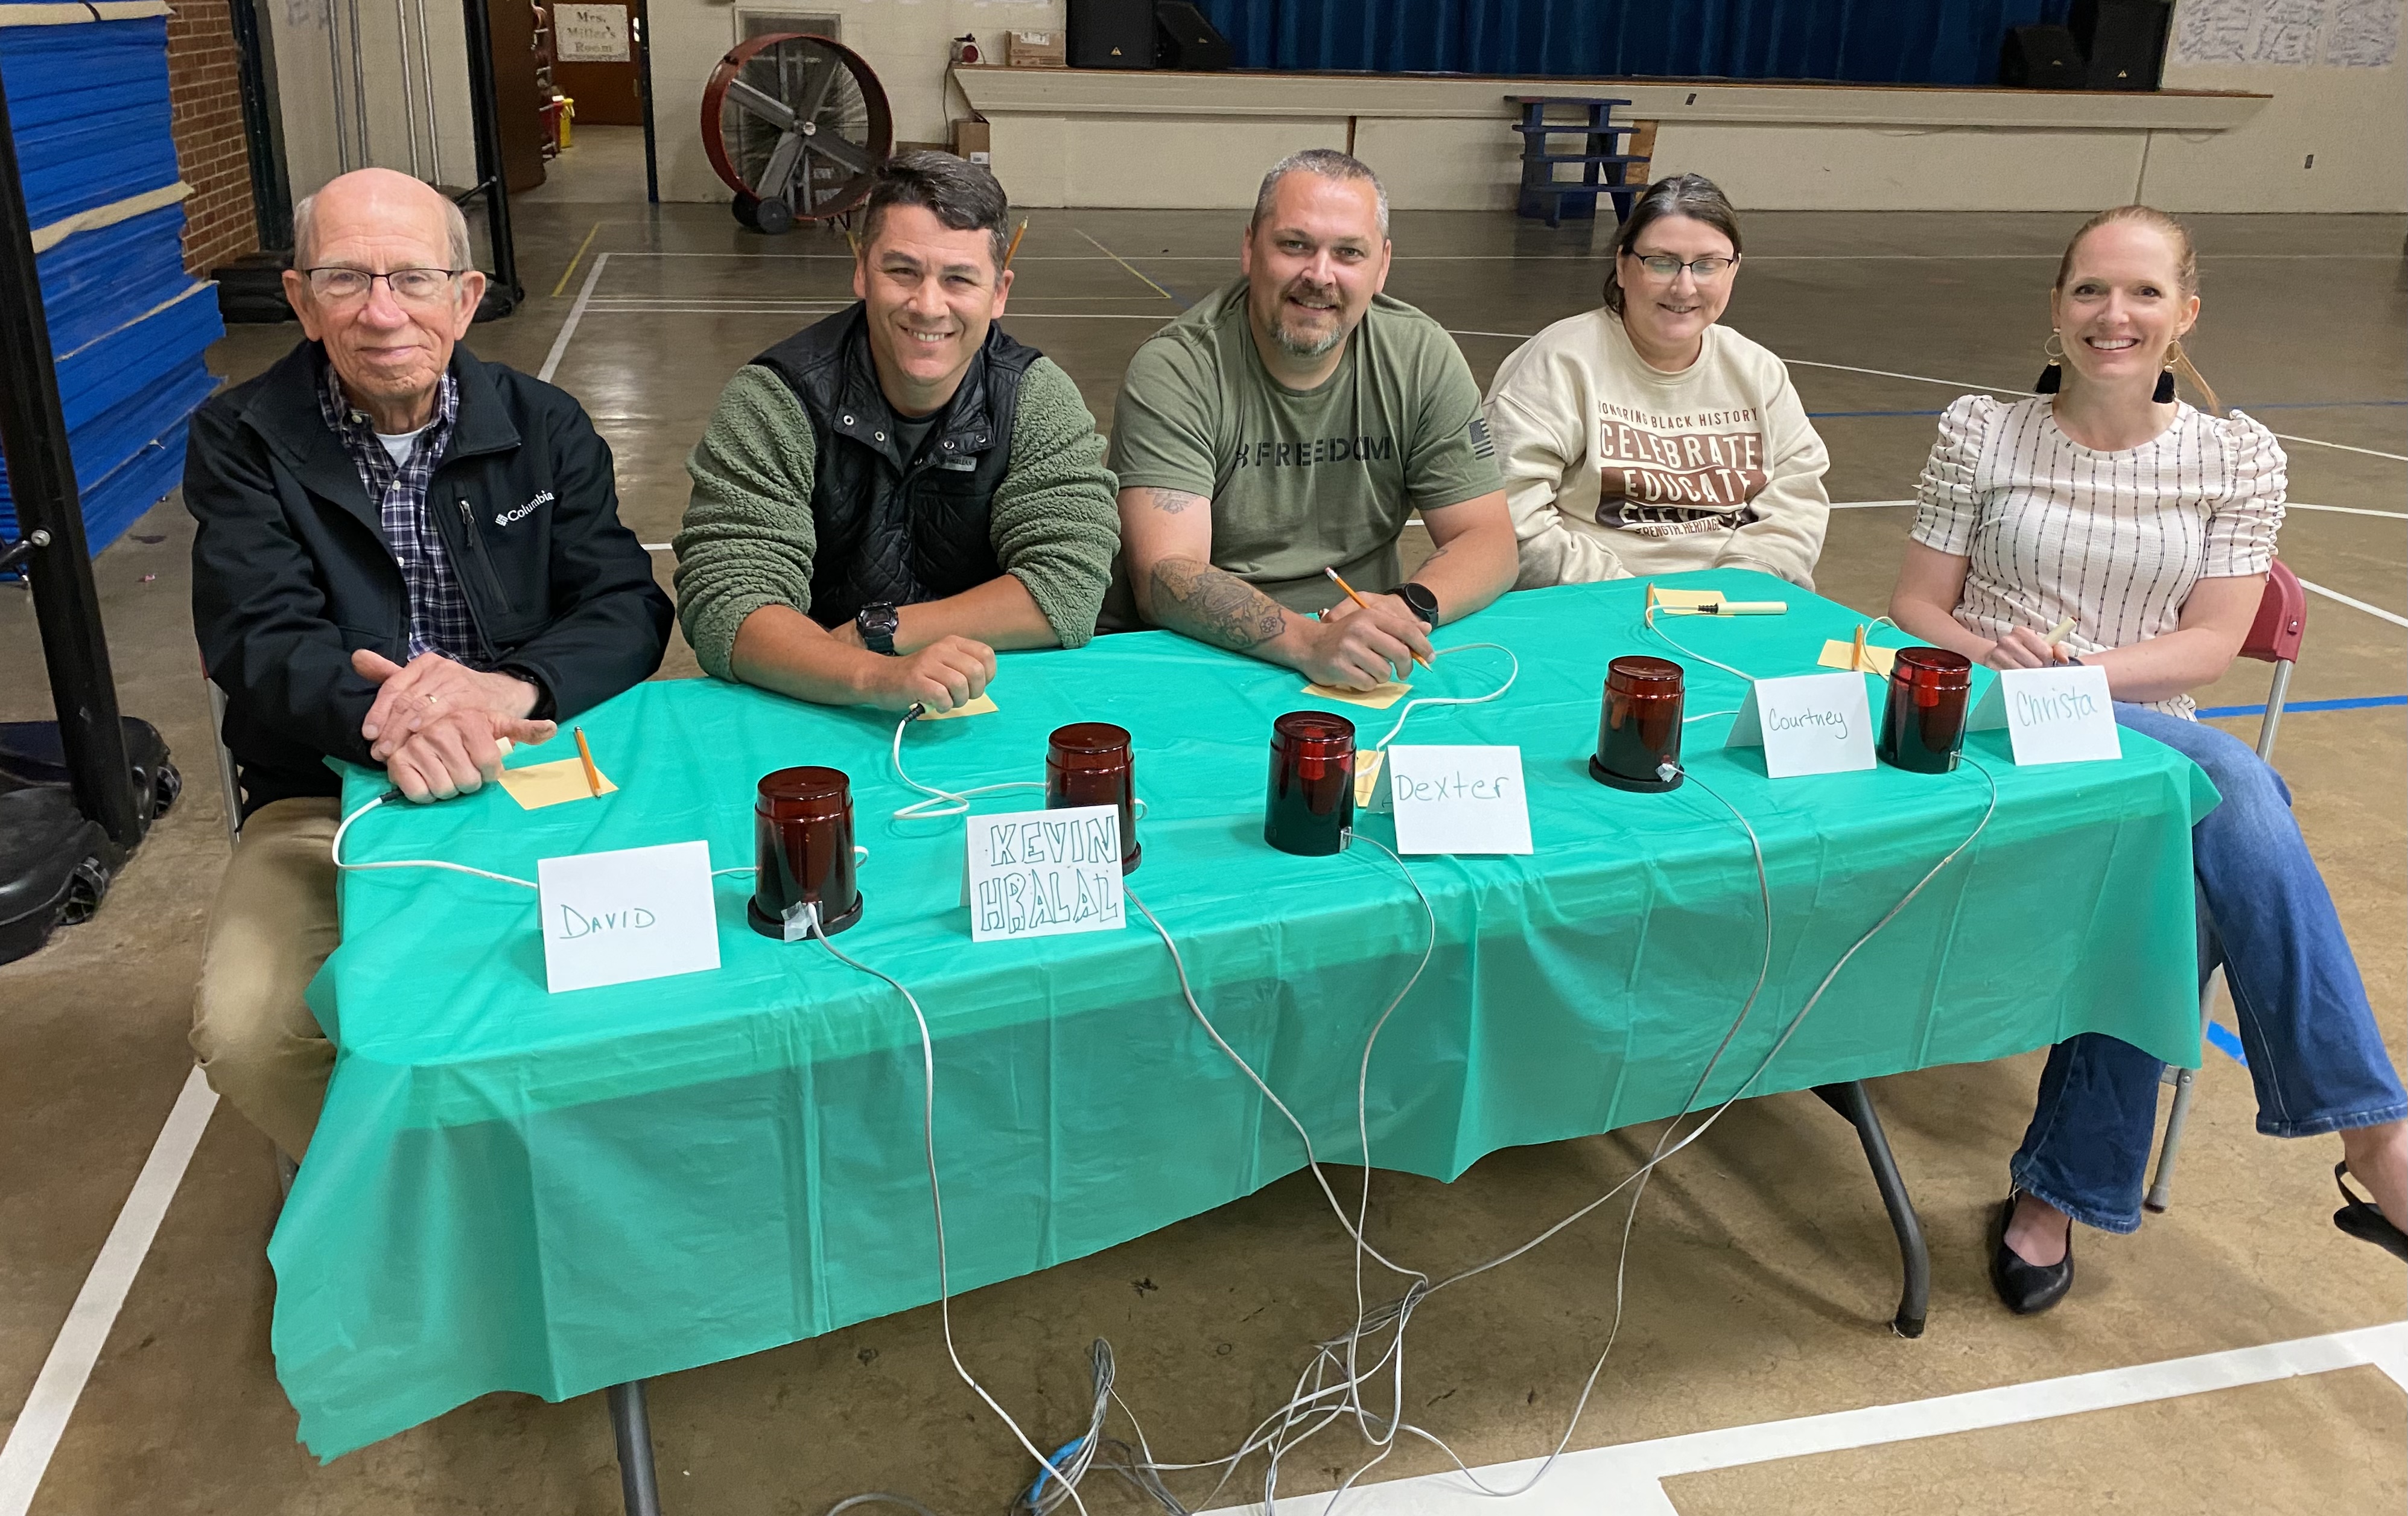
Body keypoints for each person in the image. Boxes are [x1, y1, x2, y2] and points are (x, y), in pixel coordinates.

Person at [1885, 204, 2408, 1313]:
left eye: (2142, 293)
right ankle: (2377, 1143)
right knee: (2239, 787)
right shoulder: (1984, 430)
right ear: (2057, 308)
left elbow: (2215, 642)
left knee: (2188, 848)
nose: (2111, 315)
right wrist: (2001, 656)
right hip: (1997, 723)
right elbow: (1916, 605)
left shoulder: (2236, 457)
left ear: (2185, 314)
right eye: (2088, 291)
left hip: (2135, 728)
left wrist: (2083, 675)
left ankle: (2059, 1193)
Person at [186, 167, 672, 1159]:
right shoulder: (240, 440)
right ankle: (392, 1193)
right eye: (344, 281)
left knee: (662, 965)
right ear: (298, 301)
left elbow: (625, 604)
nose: (380, 313)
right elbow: (258, 636)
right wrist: (393, 722)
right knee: (251, 1028)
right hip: (327, 789)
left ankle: (576, 1168)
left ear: (465, 296)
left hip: (537, 759)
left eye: (412, 279)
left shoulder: (547, 427)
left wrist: (513, 684)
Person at [674, 151, 1120, 713]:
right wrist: (874, 677)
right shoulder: (775, 400)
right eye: (902, 271)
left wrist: (877, 630)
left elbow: (1068, 588)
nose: (928, 306)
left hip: (987, 699)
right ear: (861, 270)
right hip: (809, 702)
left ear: (1000, 292)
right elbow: (728, 603)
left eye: (959, 279)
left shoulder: (1035, 398)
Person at [1108, 149, 1517, 692]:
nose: (1319, 275)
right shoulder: (1179, 368)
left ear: (1382, 266)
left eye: (1349, 253)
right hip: (1206, 656)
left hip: (1367, 647)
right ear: (1250, 248)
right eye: (1294, 245)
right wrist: (1309, 643)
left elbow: (1488, 537)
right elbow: (1166, 575)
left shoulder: (1420, 356)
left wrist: (1406, 607)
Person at [1483, 173, 1829, 591]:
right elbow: (1508, 516)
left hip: (1735, 607)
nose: (1683, 287)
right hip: (1591, 603)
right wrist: (1628, 598)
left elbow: (1797, 501)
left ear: (1733, 270)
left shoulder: (1759, 373)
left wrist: (1741, 587)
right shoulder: (1558, 364)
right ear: (1623, 267)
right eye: (1662, 262)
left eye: (1707, 265)